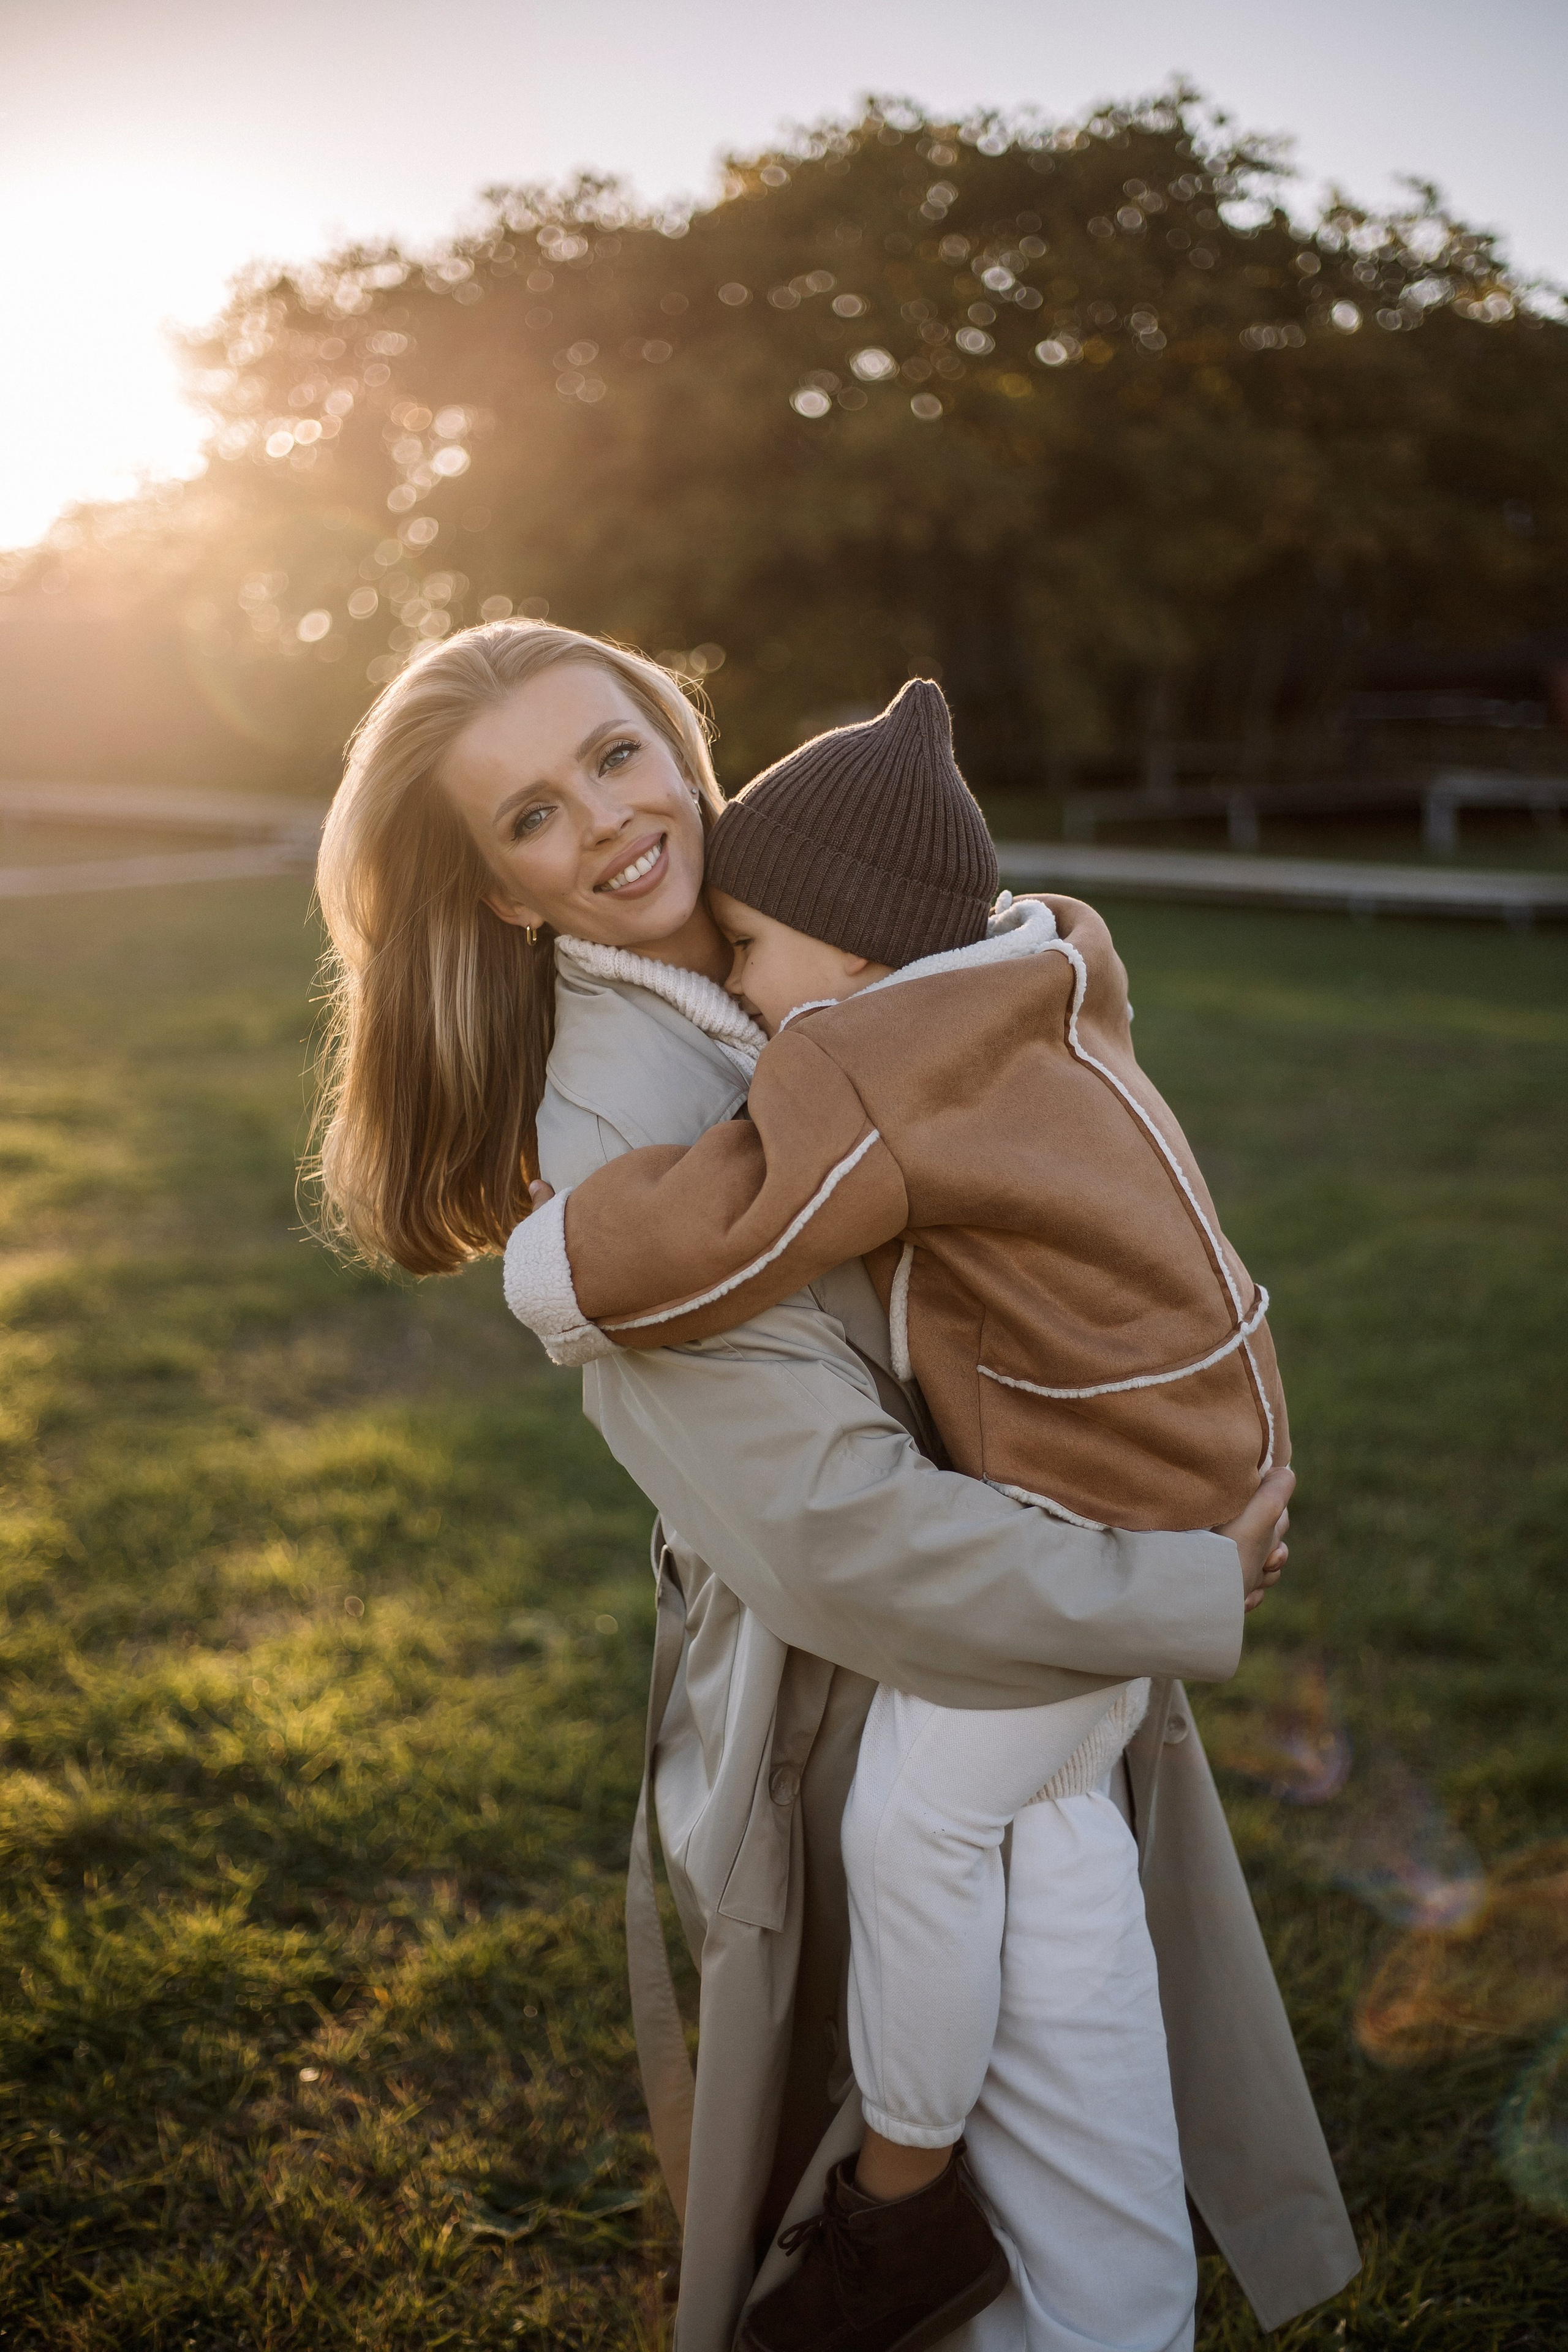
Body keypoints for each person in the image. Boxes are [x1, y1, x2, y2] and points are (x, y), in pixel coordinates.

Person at [311, 619, 1359, 2352]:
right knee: (1081, 2227)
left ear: (677, 742)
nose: (607, 823)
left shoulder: (808, 944)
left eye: (616, 756)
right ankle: (897, 2199)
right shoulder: (619, 1121)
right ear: (504, 896)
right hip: (903, 1680)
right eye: (532, 820)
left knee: (1089, 2201)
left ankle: (916, 2209)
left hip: (1016, 1619)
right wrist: (1169, 1586)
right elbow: (821, 1528)